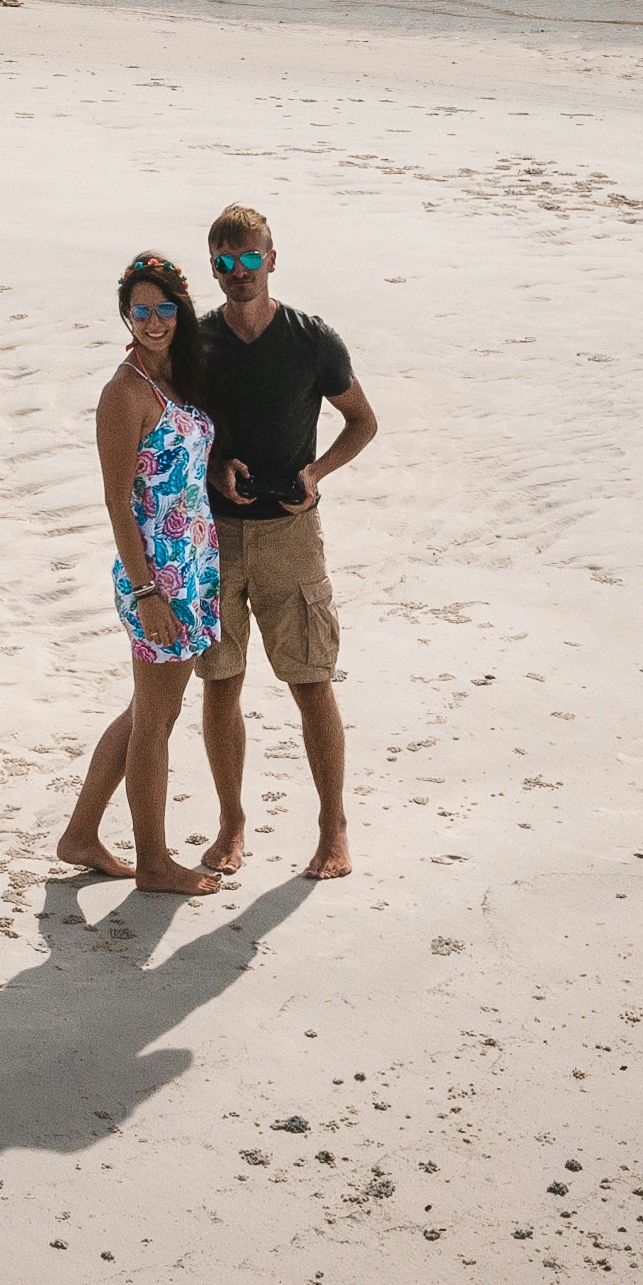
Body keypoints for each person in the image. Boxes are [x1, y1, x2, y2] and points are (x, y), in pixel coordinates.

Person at [175, 202, 376, 880]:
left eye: (249, 259)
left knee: (311, 683)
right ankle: (231, 820)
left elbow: (361, 422)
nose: (238, 273)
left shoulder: (312, 340)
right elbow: (172, 433)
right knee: (221, 682)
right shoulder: (196, 342)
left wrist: (315, 474)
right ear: (214, 268)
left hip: (292, 535)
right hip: (214, 537)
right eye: (225, 263)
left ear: (271, 259)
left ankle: (333, 827)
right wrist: (210, 466)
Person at [55, 255, 232, 895]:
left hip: (194, 566)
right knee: (156, 722)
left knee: (145, 710)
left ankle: (80, 835)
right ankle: (154, 863)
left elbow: (178, 463)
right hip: (157, 574)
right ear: (125, 317)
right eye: (140, 310)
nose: (153, 321)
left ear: (181, 309)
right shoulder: (124, 392)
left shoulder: (179, 376)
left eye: (163, 308)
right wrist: (146, 591)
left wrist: (219, 474)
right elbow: (118, 499)